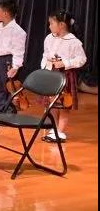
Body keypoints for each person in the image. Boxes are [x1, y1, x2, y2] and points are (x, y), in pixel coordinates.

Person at [40, 9, 88, 143]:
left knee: (64, 104)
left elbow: (82, 59)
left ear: (61, 25)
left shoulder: (74, 41)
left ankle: (60, 131)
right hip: (51, 74)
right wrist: (45, 67)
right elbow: (45, 54)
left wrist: (65, 63)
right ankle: (54, 128)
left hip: (65, 76)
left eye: (51, 23)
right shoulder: (49, 38)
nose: (49, 26)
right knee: (52, 103)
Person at [0, 0, 26, 114]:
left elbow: (19, 51)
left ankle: (9, 112)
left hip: (7, 61)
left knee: (8, 87)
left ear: (5, 13)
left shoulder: (18, 31)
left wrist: (15, 66)